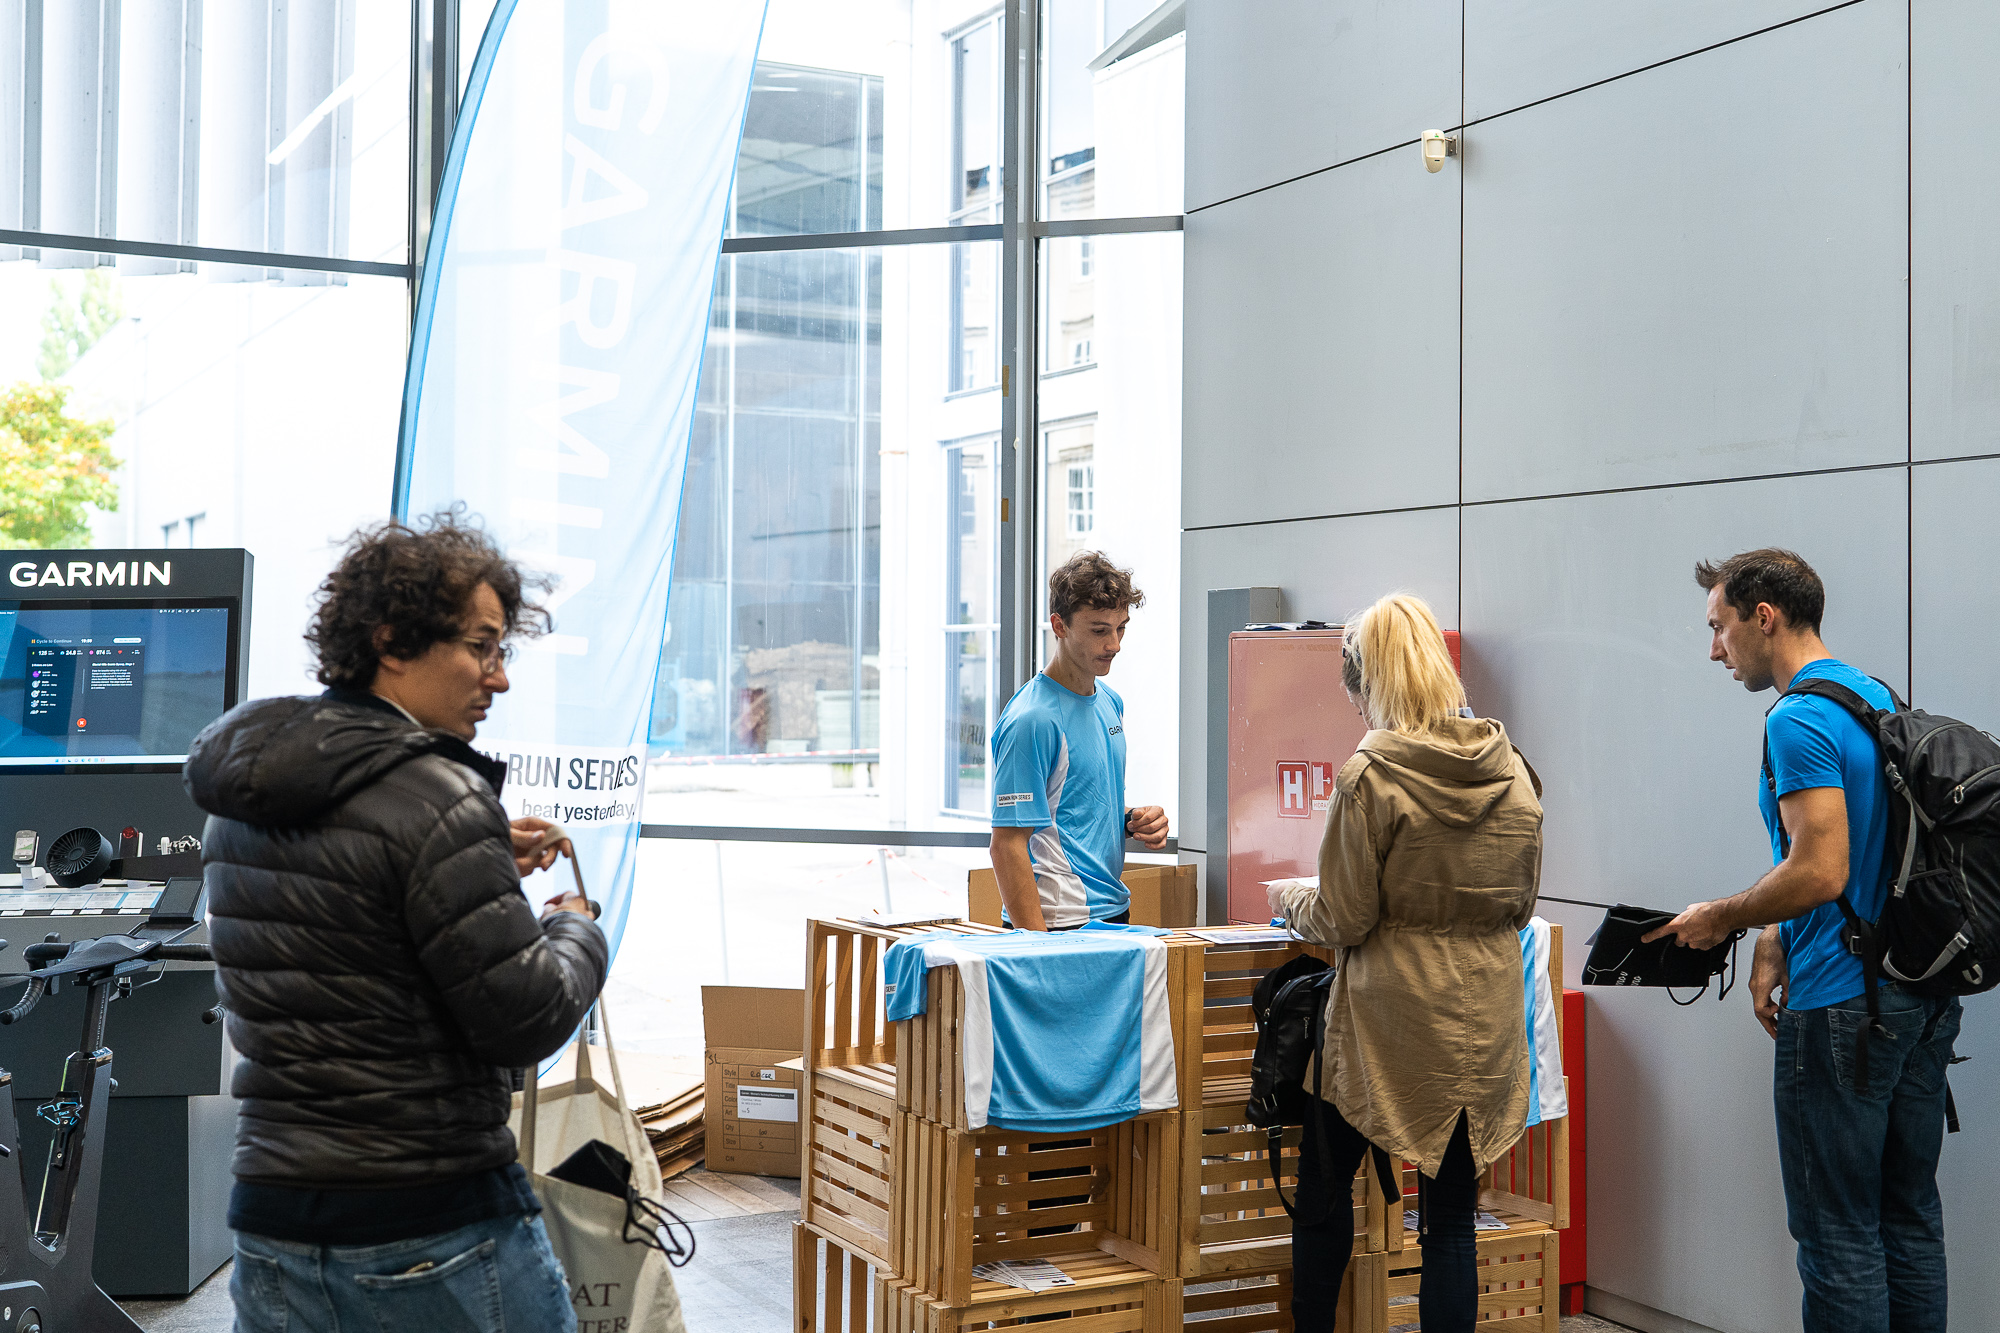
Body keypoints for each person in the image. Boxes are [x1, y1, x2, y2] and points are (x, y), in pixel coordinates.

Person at [186, 512, 608, 1333]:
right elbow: (526, 1016)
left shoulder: (245, 793)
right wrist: (575, 927)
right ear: (392, 642)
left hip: (273, 1225)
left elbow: (351, 904)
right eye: (482, 647)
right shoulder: (440, 797)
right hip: (432, 1221)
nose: (499, 678)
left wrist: (481, 853)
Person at [1646, 548, 1958, 1332]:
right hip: (1919, 994)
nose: (1713, 649)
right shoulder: (1873, 695)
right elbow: (1863, 850)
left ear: (1764, 616)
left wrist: (1724, 916)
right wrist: (1773, 931)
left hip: (1843, 1003)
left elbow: (1821, 867)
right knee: (1908, 1214)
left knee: (1837, 1230)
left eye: (1718, 626)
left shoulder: (1796, 718)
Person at [1268, 593, 1544, 1332]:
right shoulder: (1513, 769)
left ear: (1371, 683)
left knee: (1324, 1191)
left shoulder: (1371, 775)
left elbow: (1344, 915)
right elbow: (1520, 905)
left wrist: (1290, 898)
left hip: (1384, 1022)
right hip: (1482, 1024)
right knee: (1450, 1225)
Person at [987, 550, 1169, 930]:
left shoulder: (1110, 702)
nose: (1115, 644)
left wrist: (1131, 820)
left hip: (1112, 909)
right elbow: (1006, 846)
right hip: (1058, 920)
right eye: (1099, 631)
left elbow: (1071, 806)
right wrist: (1037, 947)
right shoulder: (1032, 720)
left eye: (1121, 628)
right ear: (1060, 626)